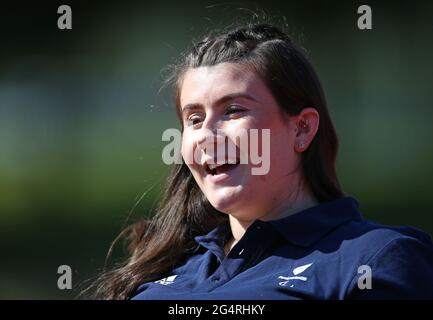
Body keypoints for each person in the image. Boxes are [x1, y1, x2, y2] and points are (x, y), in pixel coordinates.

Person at [88, 23, 433, 299]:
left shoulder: (375, 259)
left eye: (234, 110)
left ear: (302, 128)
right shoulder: (165, 270)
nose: (208, 133)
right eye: (194, 119)